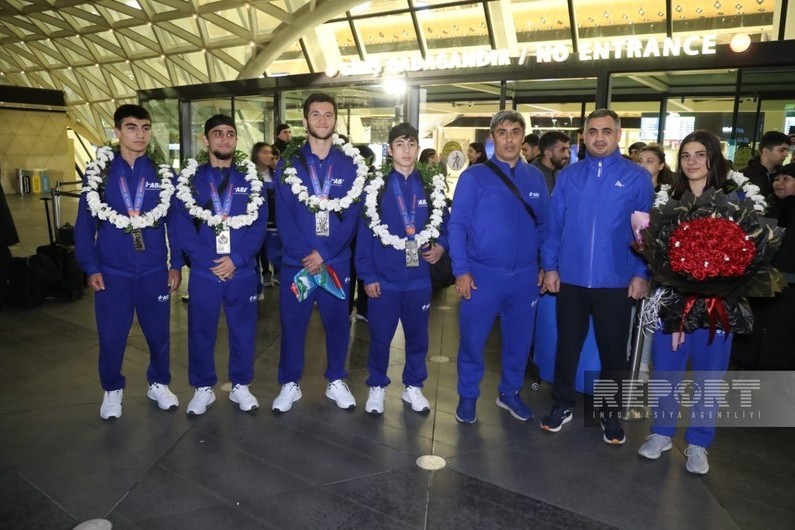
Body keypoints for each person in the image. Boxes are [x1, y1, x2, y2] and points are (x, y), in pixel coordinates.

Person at [637, 130, 764, 474]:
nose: (691, 161)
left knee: (710, 376)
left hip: (719, 303)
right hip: (674, 300)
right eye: (686, 155)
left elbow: (750, 250)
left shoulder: (736, 201)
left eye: (699, 154)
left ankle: (698, 444)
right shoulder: (666, 201)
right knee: (667, 371)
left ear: (713, 159)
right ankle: (661, 433)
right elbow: (654, 251)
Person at [540, 108, 653, 444]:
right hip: (571, 279)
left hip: (616, 281)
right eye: (592, 132)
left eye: (606, 131)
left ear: (618, 135)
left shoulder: (636, 178)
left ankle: (608, 414)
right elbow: (554, 227)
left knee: (613, 352)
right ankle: (562, 404)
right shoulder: (568, 176)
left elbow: (643, 233)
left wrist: (641, 273)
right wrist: (550, 267)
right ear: (584, 137)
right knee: (567, 346)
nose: (599, 137)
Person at [74, 104, 183, 420]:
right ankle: (112, 390)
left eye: (145, 127)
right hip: (113, 273)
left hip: (152, 271)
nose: (140, 134)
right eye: (132, 127)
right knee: (112, 336)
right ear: (117, 131)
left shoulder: (162, 174)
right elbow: (85, 226)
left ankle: (159, 383)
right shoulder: (100, 174)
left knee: (159, 334)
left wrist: (175, 263)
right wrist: (91, 266)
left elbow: (173, 223)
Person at [449, 110, 549, 423]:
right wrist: (461, 271)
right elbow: (457, 225)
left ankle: (509, 393)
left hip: (524, 277)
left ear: (523, 137)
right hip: (482, 275)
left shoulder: (535, 178)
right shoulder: (474, 177)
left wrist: (546, 265)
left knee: (519, 342)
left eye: (515, 132)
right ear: (493, 137)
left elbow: (546, 225)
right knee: (473, 341)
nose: (509, 139)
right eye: (502, 132)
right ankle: (467, 396)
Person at [272, 92, 364, 413]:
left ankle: (336, 379)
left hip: (335, 264)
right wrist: (305, 254)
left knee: (338, 323)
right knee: (293, 324)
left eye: (328, 115)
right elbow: (282, 215)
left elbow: (352, 215)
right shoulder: (289, 163)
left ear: (335, 119)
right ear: (305, 119)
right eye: (316, 114)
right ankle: (289, 383)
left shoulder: (350, 164)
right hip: (296, 264)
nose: (322, 120)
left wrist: (323, 252)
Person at [173, 114, 267, 415]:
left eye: (229, 134)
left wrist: (236, 260)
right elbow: (182, 227)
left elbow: (259, 225)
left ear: (236, 140)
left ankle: (241, 385)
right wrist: (210, 261)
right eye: (218, 134)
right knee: (201, 331)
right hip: (205, 272)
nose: (224, 139)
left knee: (243, 330)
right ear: (206, 140)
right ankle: (203, 388)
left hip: (241, 271)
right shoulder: (191, 181)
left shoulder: (250, 181)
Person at [356, 123, 449, 415]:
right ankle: (377, 386)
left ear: (418, 149)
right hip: (384, 279)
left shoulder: (431, 185)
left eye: (411, 145)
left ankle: (413, 386)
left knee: (418, 337)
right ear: (390, 150)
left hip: (419, 279)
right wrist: (367, 275)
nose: (406, 151)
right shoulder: (377, 187)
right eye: (400, 145)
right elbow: (365, 234)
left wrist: (442, 246)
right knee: (380, 337)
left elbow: (446, 224)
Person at [732, 164, 795, 370]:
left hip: (789, 286)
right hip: (760, 282)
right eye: (777, 179)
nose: (779, 183)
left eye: (787, 179)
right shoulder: (766, 206)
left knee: (780, 338)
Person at [251, 142, 281, 291]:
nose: (268, 155)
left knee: (276, 253)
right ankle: (256, 288)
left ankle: (276, 275)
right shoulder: (250, 174)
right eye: (263, 152)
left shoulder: (276, 174)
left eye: (270, 152)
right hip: (256, 222)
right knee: (254, 256)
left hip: (274, 222)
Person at [740, 130, 791, 196]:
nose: (786, 154)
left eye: (787, 150)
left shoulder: (786, 175)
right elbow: (738, 201)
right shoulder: (743, 176)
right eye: (782, 150)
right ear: (766, 151)